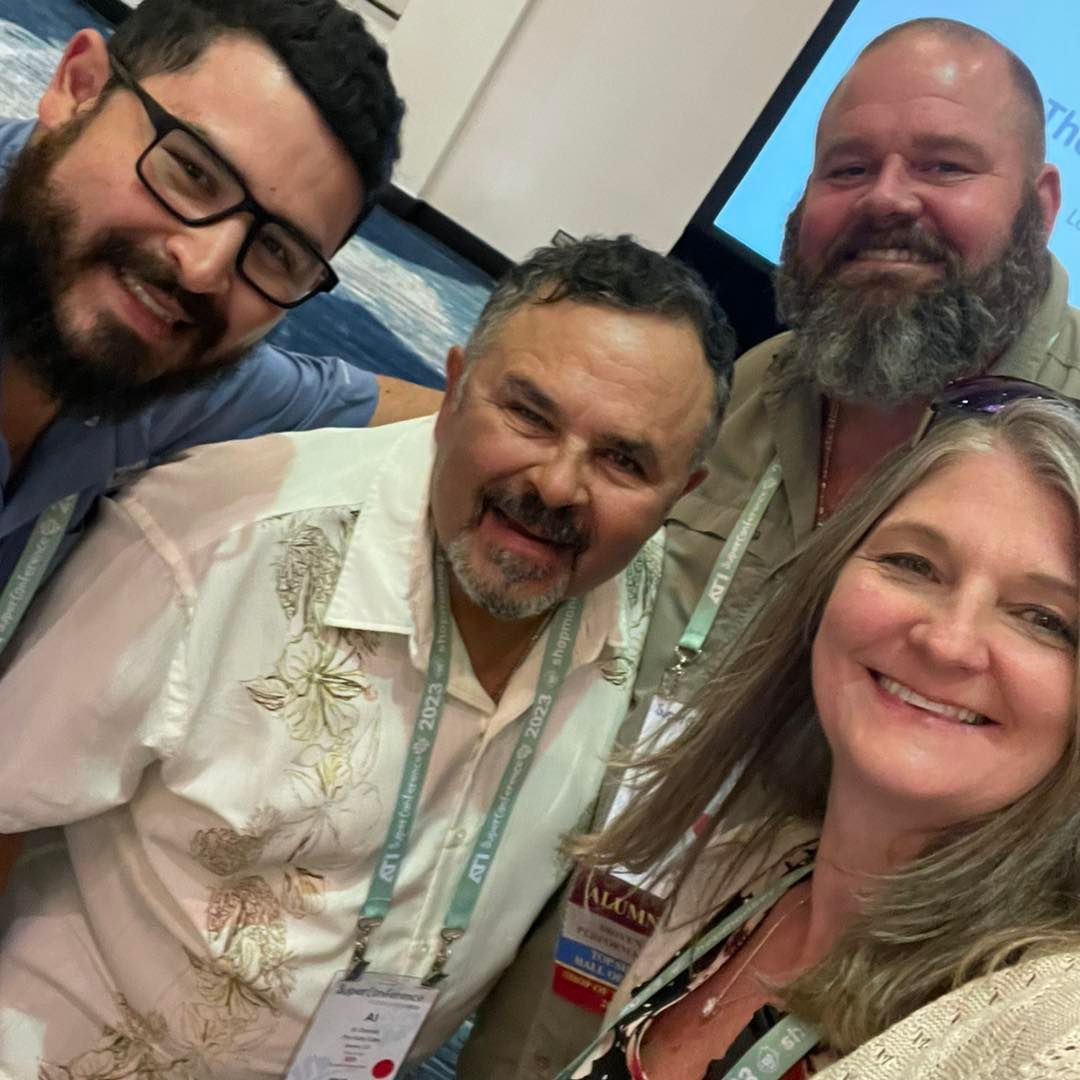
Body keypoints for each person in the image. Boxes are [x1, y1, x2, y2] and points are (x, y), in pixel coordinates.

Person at [457, 18, 1080, 1076]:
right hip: (591, 951)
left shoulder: (1063, 463)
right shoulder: (752, 385)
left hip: (875, 1019)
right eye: (849, 168)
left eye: (944, 165)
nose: (889, 199)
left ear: (1040, 201)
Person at [0, 236, 733, 1078]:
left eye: (623, 460)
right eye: (529, 416)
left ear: (681, 494)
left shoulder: (640, 613)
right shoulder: (214, 545)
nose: (559, 485)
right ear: (454, 392)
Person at [565, 393, 1080, 1078]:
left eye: (1045, 619)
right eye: (914, 564)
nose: (948, 641)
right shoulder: (748, 866)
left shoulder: (1052, 1034)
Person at [0, 0, 442, 636]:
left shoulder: (168, 356)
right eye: (192, 171)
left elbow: (383, 406)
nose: (205, 269)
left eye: (276, 251)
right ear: (79, 87)